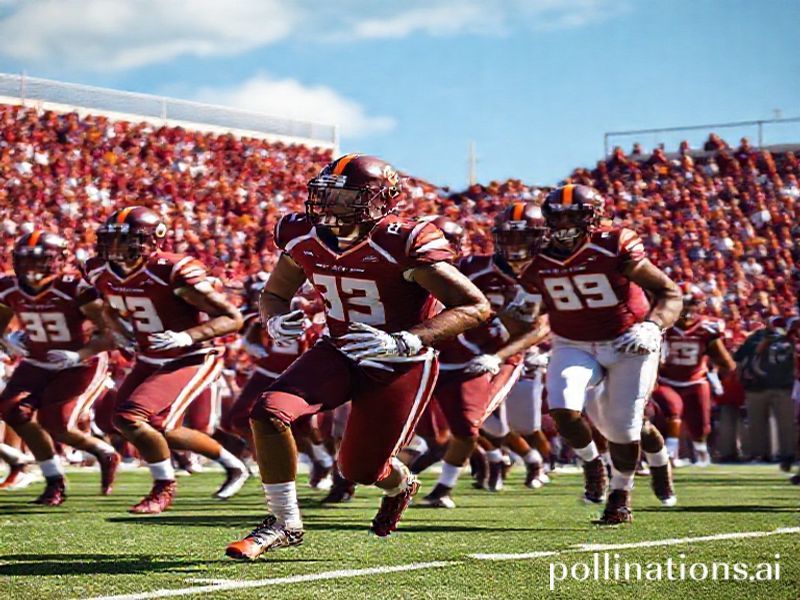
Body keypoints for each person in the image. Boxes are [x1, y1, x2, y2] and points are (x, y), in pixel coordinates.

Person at [225, 154, 491, 560]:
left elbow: (474, 306)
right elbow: (275, 294)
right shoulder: (302, 235)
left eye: (345, 196)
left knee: (360, 471)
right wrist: (274, 319)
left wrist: (406, 340)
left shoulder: (401, 242)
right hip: (339, 349)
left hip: (399, 364)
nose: (330, 204)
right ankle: (283, 522)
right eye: (326, 194)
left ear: (380, 201)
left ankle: (400, 484)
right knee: (268, 411)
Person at [518, 184, 682, 525]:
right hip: (573, 342)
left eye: (573, 215)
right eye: (558, 215)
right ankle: (593, 464)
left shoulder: (613, 243)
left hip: (627, 342)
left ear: (592, 217)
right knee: (563, 408)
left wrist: (653, 325)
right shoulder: (536, 256)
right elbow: (530, 311)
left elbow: (669, 292)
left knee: (623, 428)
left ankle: (621, 494)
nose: (564, 223)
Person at [86, 206, 247, 514]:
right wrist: (119, 333)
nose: (114, 247)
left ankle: (164, 487)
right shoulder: (98, 270)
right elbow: (108, 308)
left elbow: (231, 317)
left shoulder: (170, 270)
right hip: (149, 356)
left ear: (151, 241)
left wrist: (187, 336)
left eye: (124, 239)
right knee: (157, 428)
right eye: (111, 239)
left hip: (191, 355)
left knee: (131, 418)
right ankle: (233, 464)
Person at [420, 204, 549, 508]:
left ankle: (444, 488)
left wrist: (502, 353)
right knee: (480, 426)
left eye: (524, 237)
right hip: (461, 351)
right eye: (509, 237)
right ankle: (517, 458)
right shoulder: (474, 267)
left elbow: (541, 326)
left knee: (475, 421)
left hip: (503, 357)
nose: (516, 245)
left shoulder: (548, 273)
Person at [0, 231, 120, 505]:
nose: (31, 267)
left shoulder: (75, 289)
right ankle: (54, 479)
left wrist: (78, 354)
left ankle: (103, 451)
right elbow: (2, 321)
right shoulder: (8, 287)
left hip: (80, 363)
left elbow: (111, 333)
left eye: (40, 260)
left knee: (56, 423)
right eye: (26, 259)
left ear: (59, 260)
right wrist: (8, 339)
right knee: (11, 409)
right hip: (38, 360)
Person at [657, 284, 736, 465]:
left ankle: (701, 453)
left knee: (700, 425)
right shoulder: (663, 325)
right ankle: (670, 454)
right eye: (683, 303)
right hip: (666, 380)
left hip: (696, 380)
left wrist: (726, 369)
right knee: (671, 413)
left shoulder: (707, 327)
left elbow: (723, 359)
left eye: (692, 304)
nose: (687, 308)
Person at [734, 316, 796, 468]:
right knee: (769, 423)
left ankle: (777, 455)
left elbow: (739, 358)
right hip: (770, 387)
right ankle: (772, 454)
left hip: (773, 386)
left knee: (775, 424)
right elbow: (740, 358)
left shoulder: (788, 339)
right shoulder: (759, 338)